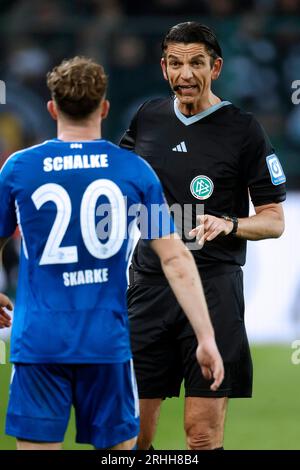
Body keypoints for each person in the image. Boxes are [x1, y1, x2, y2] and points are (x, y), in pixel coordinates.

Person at [0, 56, 223, 451]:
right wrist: (205, 337)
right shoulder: (133, 171)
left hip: (38, 341)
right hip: (105, 342)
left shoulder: (19, 168)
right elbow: (175, 258)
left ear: (52, 108)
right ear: (104, 108)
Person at [120, 21, 286, 450]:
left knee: (201, 436)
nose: (186, 74)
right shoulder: (147, 117)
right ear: (163, 68)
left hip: (214, 290)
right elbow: (116, 186)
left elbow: (273, 221)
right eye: (176, 64)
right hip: (150, 287)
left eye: (196, 63)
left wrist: (229, 224)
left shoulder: (243, 129)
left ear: (216, 67)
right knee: (131, 438)